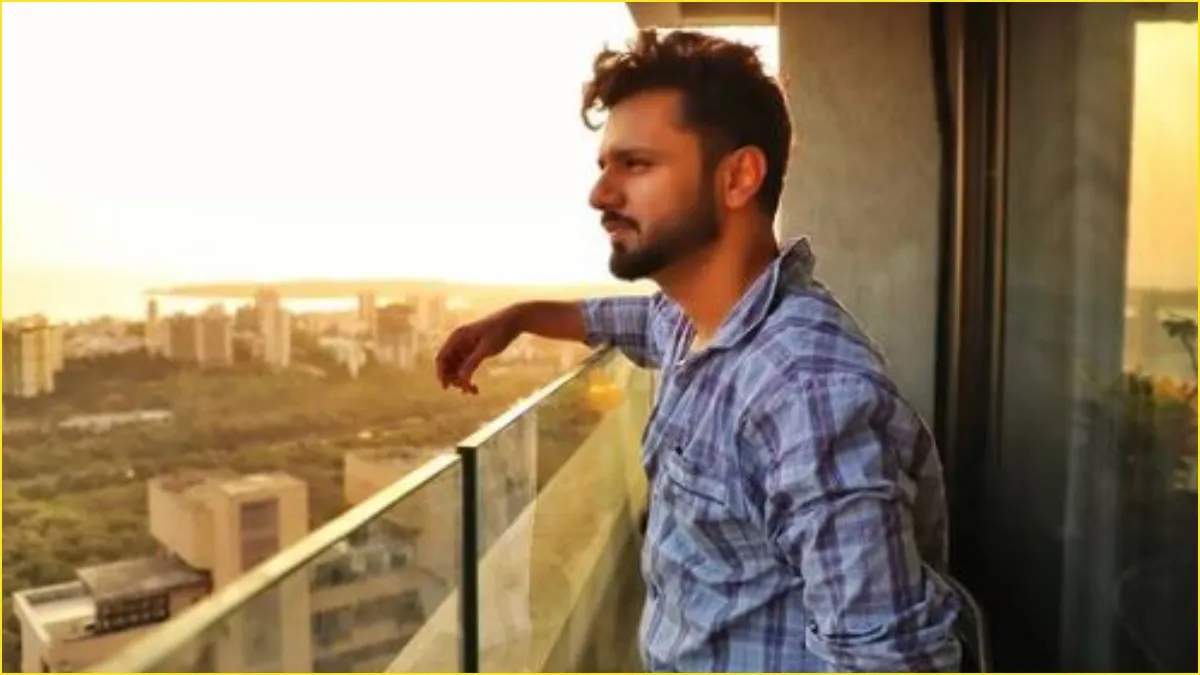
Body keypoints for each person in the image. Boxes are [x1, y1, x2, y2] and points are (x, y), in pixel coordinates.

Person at [435, 28, 962, 672]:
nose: (600, 195)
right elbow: (628, 320)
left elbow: (889, 662)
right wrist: (519, 318)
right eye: (604, 167)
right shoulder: (696, 323)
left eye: (636, 164)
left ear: (738, 177)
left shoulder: (805, 396)